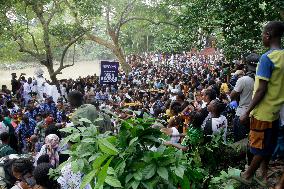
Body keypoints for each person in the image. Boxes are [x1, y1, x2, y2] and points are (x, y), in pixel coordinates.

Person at [238, 21, 284, 186]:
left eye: (262, 34)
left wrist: (247, 111)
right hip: (276, 110)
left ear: (268, 35)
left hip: (263, 111)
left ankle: (248, 174)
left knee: (259, 146)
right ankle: (263, 173)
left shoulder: (267, 58)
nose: (262, 37)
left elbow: (261, 90)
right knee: (270, 142)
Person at [230, 53, 259, 142]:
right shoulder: (263, 80)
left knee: (239, 142)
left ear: (247, 65)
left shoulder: (243, 80)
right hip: (257, 115)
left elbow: (232, 96)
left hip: (242, 115)